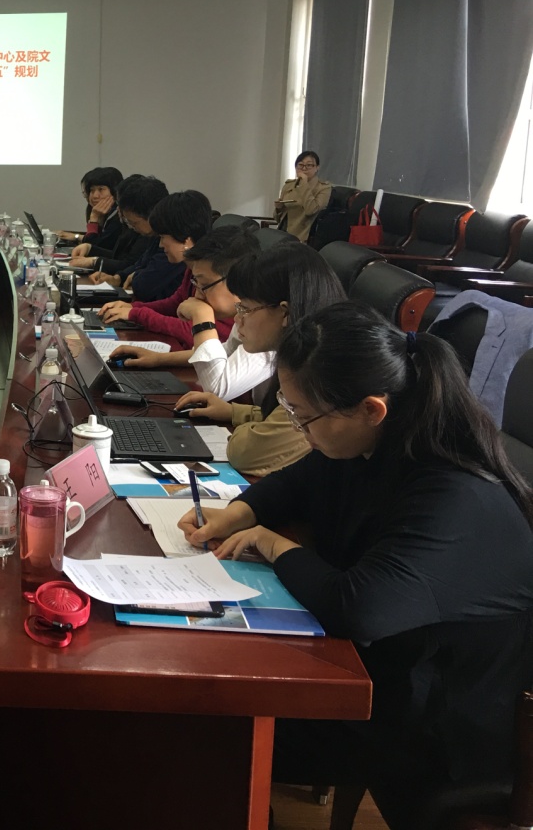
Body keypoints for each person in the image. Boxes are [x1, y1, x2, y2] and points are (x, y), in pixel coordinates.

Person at [180, 302, 533, 830]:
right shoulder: (376, 443)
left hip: (437, 727)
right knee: (210, 704)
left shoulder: (452, 495)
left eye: (304, 416)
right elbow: (296, 482)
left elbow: (358, 607)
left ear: (371, 409)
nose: (298, 427)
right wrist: (236, 514)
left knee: (213, 726)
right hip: (382, 674)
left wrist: (272, 544)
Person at [170, 242, 346, 475]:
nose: (237, 319)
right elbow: (277, 418)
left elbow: (245, 454)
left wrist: (247, 427)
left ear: (284, 312)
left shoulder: (315, 375)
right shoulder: (301, 355)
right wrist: (234, 413)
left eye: (246, 309)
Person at [103, 225, 256, 354]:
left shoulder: (251, 325)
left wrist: (138, 314)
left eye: (204, 285)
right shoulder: (202, 274)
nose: (197, 295)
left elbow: (212, 365)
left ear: (238, 280)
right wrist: (156, 359)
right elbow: (176, 304)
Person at [98, 188, 209, 315]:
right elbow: (173, 304)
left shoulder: (209, 275)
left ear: (185, 239)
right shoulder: (191, 270)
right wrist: (132, 308)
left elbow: (189, 324)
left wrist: (136, 314)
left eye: (163, 237)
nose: (161, 244)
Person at [85, 175, 176, 297]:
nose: (132, 227)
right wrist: (118, 278)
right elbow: (140, 263)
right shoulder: (155, 235)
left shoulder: (173, 238)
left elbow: (145, 284)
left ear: (152, 215)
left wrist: (135, 275)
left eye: (134, 223)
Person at [275, 150, 331, 240]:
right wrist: (278, 208)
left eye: (309, 165)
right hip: (283, 232)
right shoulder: (289, 185)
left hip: (303, 236)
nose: (304, 168)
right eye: (300, 165)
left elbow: (311, 210)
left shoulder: (323, 188)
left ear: (317, 168)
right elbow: (277, 219)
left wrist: (304, 183)